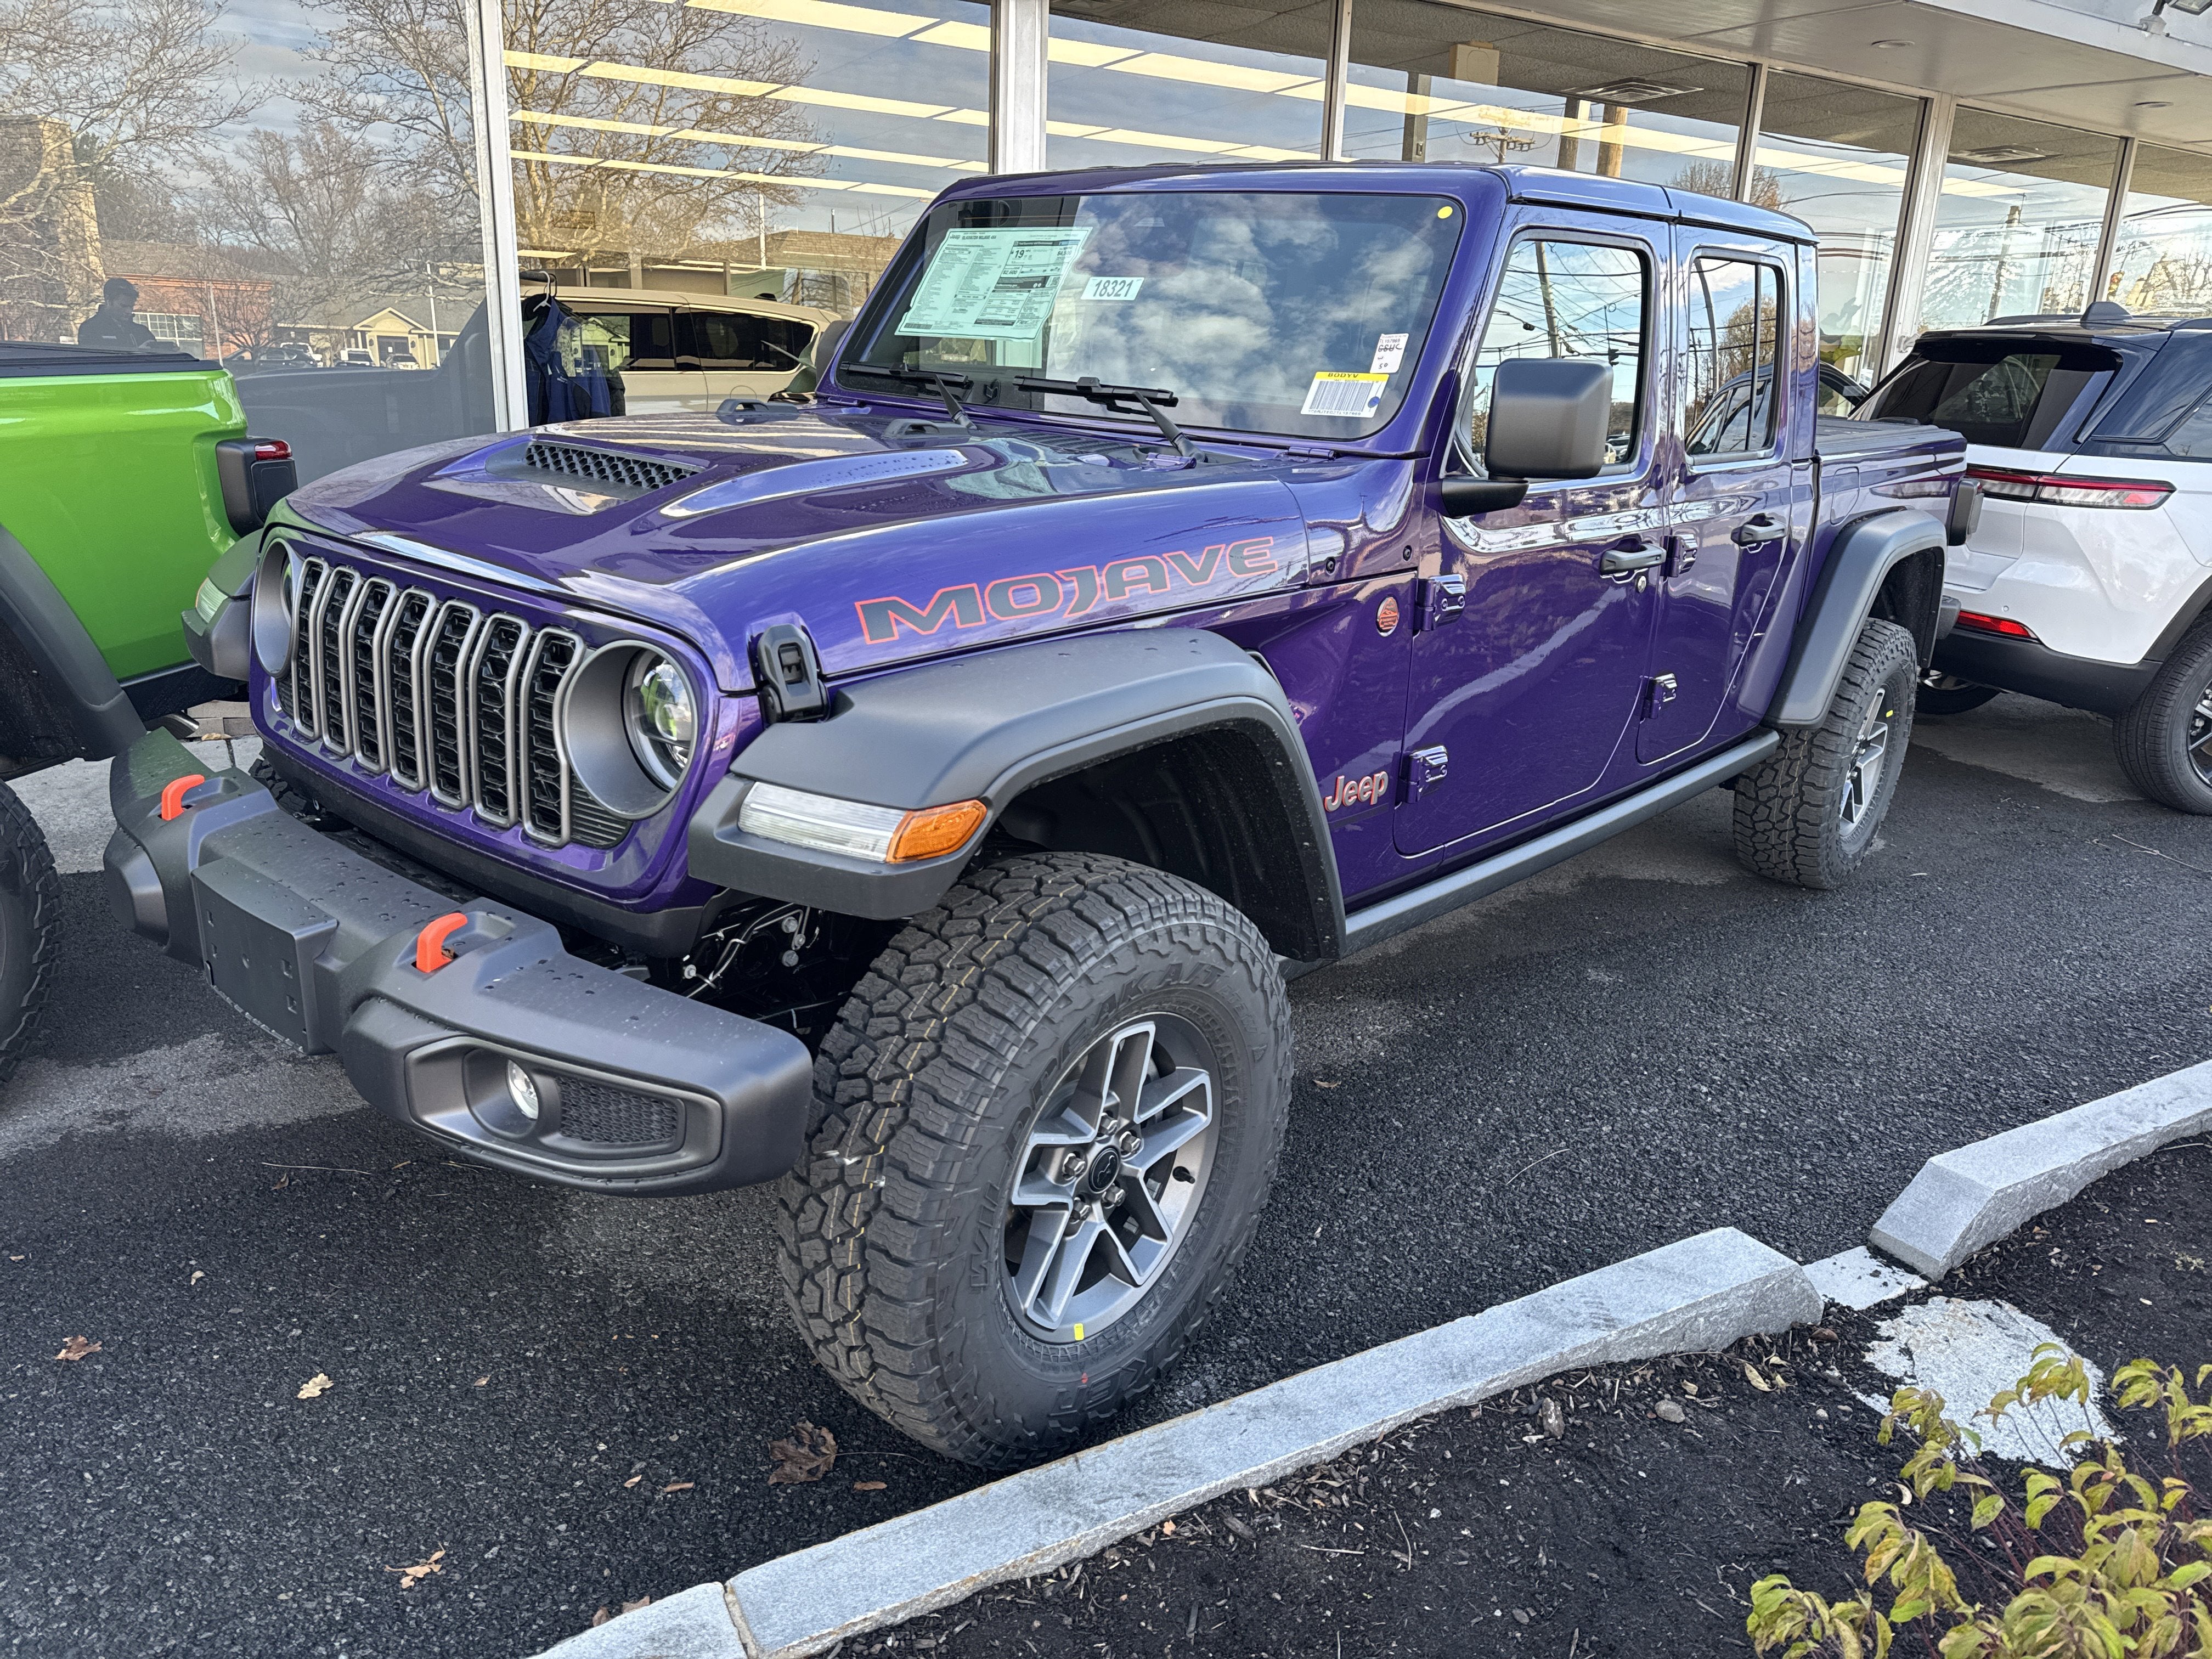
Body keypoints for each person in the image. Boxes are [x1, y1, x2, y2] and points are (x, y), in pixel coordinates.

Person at [77, 278, 156, 349]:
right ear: (109, 302)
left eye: (131, 306)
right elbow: (97, 361)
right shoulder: (91, 328)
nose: (129, 311)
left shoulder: (142, 331)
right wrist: (137, 353)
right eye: (123, 306)